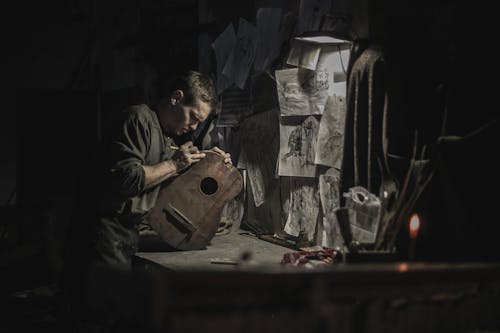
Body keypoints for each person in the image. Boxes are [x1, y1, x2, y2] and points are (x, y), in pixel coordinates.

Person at [60, 70, 230, 331]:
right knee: (97, 320)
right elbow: (125, 178)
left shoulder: (168, 134)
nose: (194, 126)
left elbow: (174, 173)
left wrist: (214, 162)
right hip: (102, 234)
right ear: (176, 98)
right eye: (193, 117)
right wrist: (174, 164)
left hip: (127, 234)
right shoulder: (137, 119)